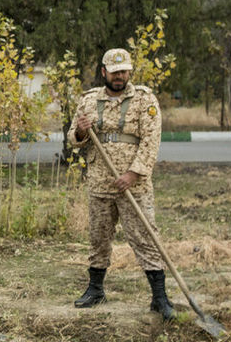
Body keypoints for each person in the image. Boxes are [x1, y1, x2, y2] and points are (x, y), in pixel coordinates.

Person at [67, 48, 175, 320]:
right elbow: (73, 137)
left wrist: (134, 174)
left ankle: (159, 298)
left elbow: (151, 141)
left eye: (124, 71)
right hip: (100, 182)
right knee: (99, 238)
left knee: (145, 237)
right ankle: (95, 290)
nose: (120, 77)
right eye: (115, 72)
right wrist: (80, 129)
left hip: (133, 186)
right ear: (104, 72)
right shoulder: (89, 101)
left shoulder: (144, 100)